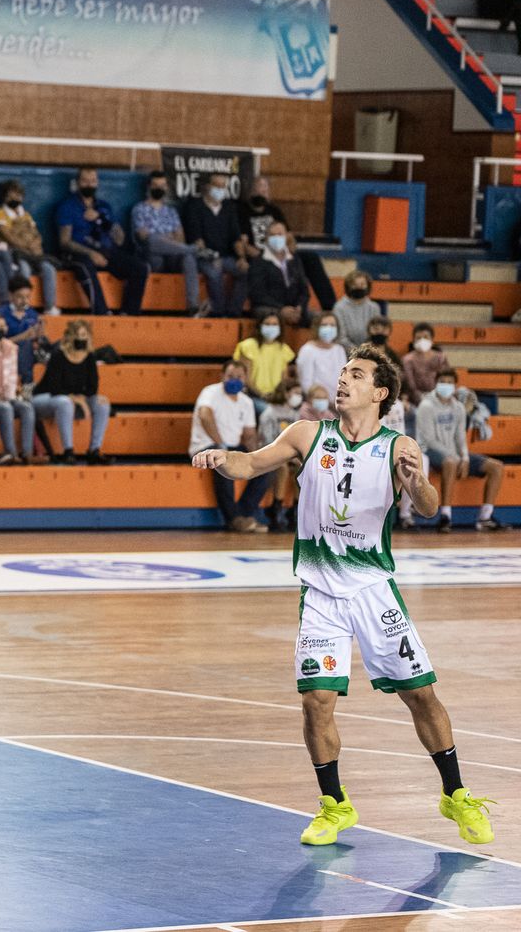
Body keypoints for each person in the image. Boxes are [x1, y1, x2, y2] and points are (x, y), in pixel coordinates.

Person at [192, 347, 496, 849]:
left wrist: (415, 481)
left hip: (375, 592)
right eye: (341, 373)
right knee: (316, 703)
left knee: (420, 695)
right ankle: (335, 805)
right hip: (321, 594)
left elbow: (428, 505)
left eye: (355, 374)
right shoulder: (307, 434)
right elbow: (249, 465)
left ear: (380, 393)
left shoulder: (399, 447)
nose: (342, 381)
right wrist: (222, 458)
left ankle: (455, 794)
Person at [417, 368, 507, 531]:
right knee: (451, 462)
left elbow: (460, 437)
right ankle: (445, 516)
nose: (446, 385)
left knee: (497, 467)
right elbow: (429, 440)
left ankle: (485, 517)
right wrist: (455, 457)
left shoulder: (458, 407)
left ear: (455, 385)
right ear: (436, 383)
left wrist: (465, 458)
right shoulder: (426, 405)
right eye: (443, 382)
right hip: (429, 451)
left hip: (454, 452)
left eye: (450, 382)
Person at [56, 167, 150, 316]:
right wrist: (91, 253)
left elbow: (119, 239)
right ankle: (101, 312)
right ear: (78, 183)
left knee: (140, 267)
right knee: (85, 264)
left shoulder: (104, 206)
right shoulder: (68, 206)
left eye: (92, 181)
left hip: (106, 251)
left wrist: (102, 220)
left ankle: (129, 313)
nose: (89, 184)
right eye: (85, 181)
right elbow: (65, 241)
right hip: (79, 253)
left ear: (97, 182)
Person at [190, 360, 269, 533]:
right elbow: (205, 416)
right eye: (230, 376)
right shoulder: (210, 392)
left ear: (245, 378)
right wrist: (220, 444)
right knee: (222, 462)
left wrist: (258, 454)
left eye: (239, 377)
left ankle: (244, 514)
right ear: (222, 376)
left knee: (267, 466)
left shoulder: (246, 402)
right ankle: (233, 519)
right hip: (206, 445)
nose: (234, 380)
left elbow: (249, 434)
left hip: (231, 447)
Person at [129, 169, 213, 317]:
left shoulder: (171, 211)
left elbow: (179, 237)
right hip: (152, 258)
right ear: (149, 186)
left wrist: (166, 240)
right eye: (155, 185)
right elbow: (144, 236)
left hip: (172, 256)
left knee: (187, 257)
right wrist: (167, 238)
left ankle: (193, 306)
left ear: (167, 188)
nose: (159, 189)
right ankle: (194, 249)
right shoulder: (139, 209)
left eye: (162, 185)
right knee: (153, 241)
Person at [244, 177, 335, 312]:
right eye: (258, 190)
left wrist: (290, 253)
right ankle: (279, 308)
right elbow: (243, 242)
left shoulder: (274, 210)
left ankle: (330, 307)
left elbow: (289, 236)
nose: (261, 194)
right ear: (250, 192)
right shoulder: (241, 211)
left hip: (282, 253)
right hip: (259, 256)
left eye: (264, 191)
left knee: (311, 259)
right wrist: (264, 256)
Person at [32, 318, 112, 464]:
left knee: (103, 403)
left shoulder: (89, 357)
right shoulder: (58, 355)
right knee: (65, 402)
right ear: (70, 337)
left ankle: (94, 450)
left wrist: (83, 398)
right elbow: (54, 387)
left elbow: (92, 387)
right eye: (78, 336)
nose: (81, 339)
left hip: (71, 399)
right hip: (44, 397)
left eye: (84, 336)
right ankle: (68, 451)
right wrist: (78, 399)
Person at [182, 173, 250, 317]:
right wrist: (212, 257)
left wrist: (242, 258)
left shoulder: (229, 207)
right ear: (207, 187)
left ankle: (233, 312)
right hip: (203, 256)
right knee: (214, 271)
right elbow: (197, 240)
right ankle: (218, 311)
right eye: (216, 186)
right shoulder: (195, 206)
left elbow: (236, 237)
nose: (220, 189)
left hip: (226, 256)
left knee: (246, 271)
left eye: (223, 186)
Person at [0, 181, 60, 316]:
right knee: (24, 269)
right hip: (16, 253)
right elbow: (6, 235)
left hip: (33, 253)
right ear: (4, 197)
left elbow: (36, 235)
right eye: (11, 195)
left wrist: (35, 246)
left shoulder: (26, 215)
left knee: (49, 268)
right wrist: (25, 247)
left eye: (18, 195)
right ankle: (24, 306)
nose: (15, 199)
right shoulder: (0, 213)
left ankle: (50, 306)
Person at [0, 311, 32, 464]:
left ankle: (27, 453)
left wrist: (8, 395)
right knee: (5, 408)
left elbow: (12, 375)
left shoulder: (11, 348)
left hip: (6, 395)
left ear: (6, 329)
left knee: (26, 407)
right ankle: (12, 453)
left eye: (1, 326)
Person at [260, 379, 305, 532]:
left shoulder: (294, 414)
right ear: (286, 393)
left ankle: (295, 511)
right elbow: (267, 440)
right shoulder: (270, 413)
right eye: (296, 393)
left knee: (302, 469)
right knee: (283, 469)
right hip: (269, 452)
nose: (299, 397)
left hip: (289, 454)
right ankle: (275, 509)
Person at [247, 219, 311, 326]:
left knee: (320, 319)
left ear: (286, 236)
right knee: (271, 316)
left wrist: (299, 307)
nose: (277, 238)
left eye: (280, 234)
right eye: (272, 235)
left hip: (294, 308)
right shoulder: (259, 261)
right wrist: (281, 309)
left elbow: (304, 289)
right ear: (266, 238)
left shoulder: (295, 260)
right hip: (268, 307)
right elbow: (257, 293)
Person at [235, 309, 296, 416]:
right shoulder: (248, 346)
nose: (271, 327)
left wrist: (276, 397)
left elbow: (284, 380)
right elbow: (246, 379)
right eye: (267, 324)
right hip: (252, 396)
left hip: (275, 397)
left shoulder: (284, 349)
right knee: (269, 412)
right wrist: (262, 395)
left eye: (274, 324)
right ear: (260, 326)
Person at [0, 275, 43, 386]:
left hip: (32, 353)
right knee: (24, 344)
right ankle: (28, 384)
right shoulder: (0, 314)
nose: (25, 301)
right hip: (6, 353)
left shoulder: (33, 314)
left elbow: (37, 339)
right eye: (20, 297)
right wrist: (23, 337)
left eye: (27, 297)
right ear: (10, 295)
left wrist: (39, 335)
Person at [401, 322, 452, 411]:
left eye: (425, 337)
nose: (422, 340)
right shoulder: (407, 360)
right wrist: (427, 400)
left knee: (464, 392)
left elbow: (448, 379)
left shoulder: (440, 358)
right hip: (417, 402)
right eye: (418, 338)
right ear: (414, 340)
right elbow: (411, 386)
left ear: (432, 340)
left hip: (440, 397)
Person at [297, 312, 348, 397]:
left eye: (332, 325)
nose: (328, 328)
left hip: (338, 401)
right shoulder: (307, 350)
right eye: (324, 325)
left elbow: (344, 378)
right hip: (317, 402)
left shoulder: (339, 349)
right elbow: (306, 384)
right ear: (317, 328)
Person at [335, 270, 381, 348]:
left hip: (369, 351)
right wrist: (357, 352)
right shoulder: (339, 307)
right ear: (348, 287)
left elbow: (376, 332)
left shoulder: (374, 307)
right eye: (355, 285)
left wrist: (367, 350)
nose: (359, 287)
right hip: (346, 352)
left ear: (368, 286)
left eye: (362, 284)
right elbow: (341, 337)